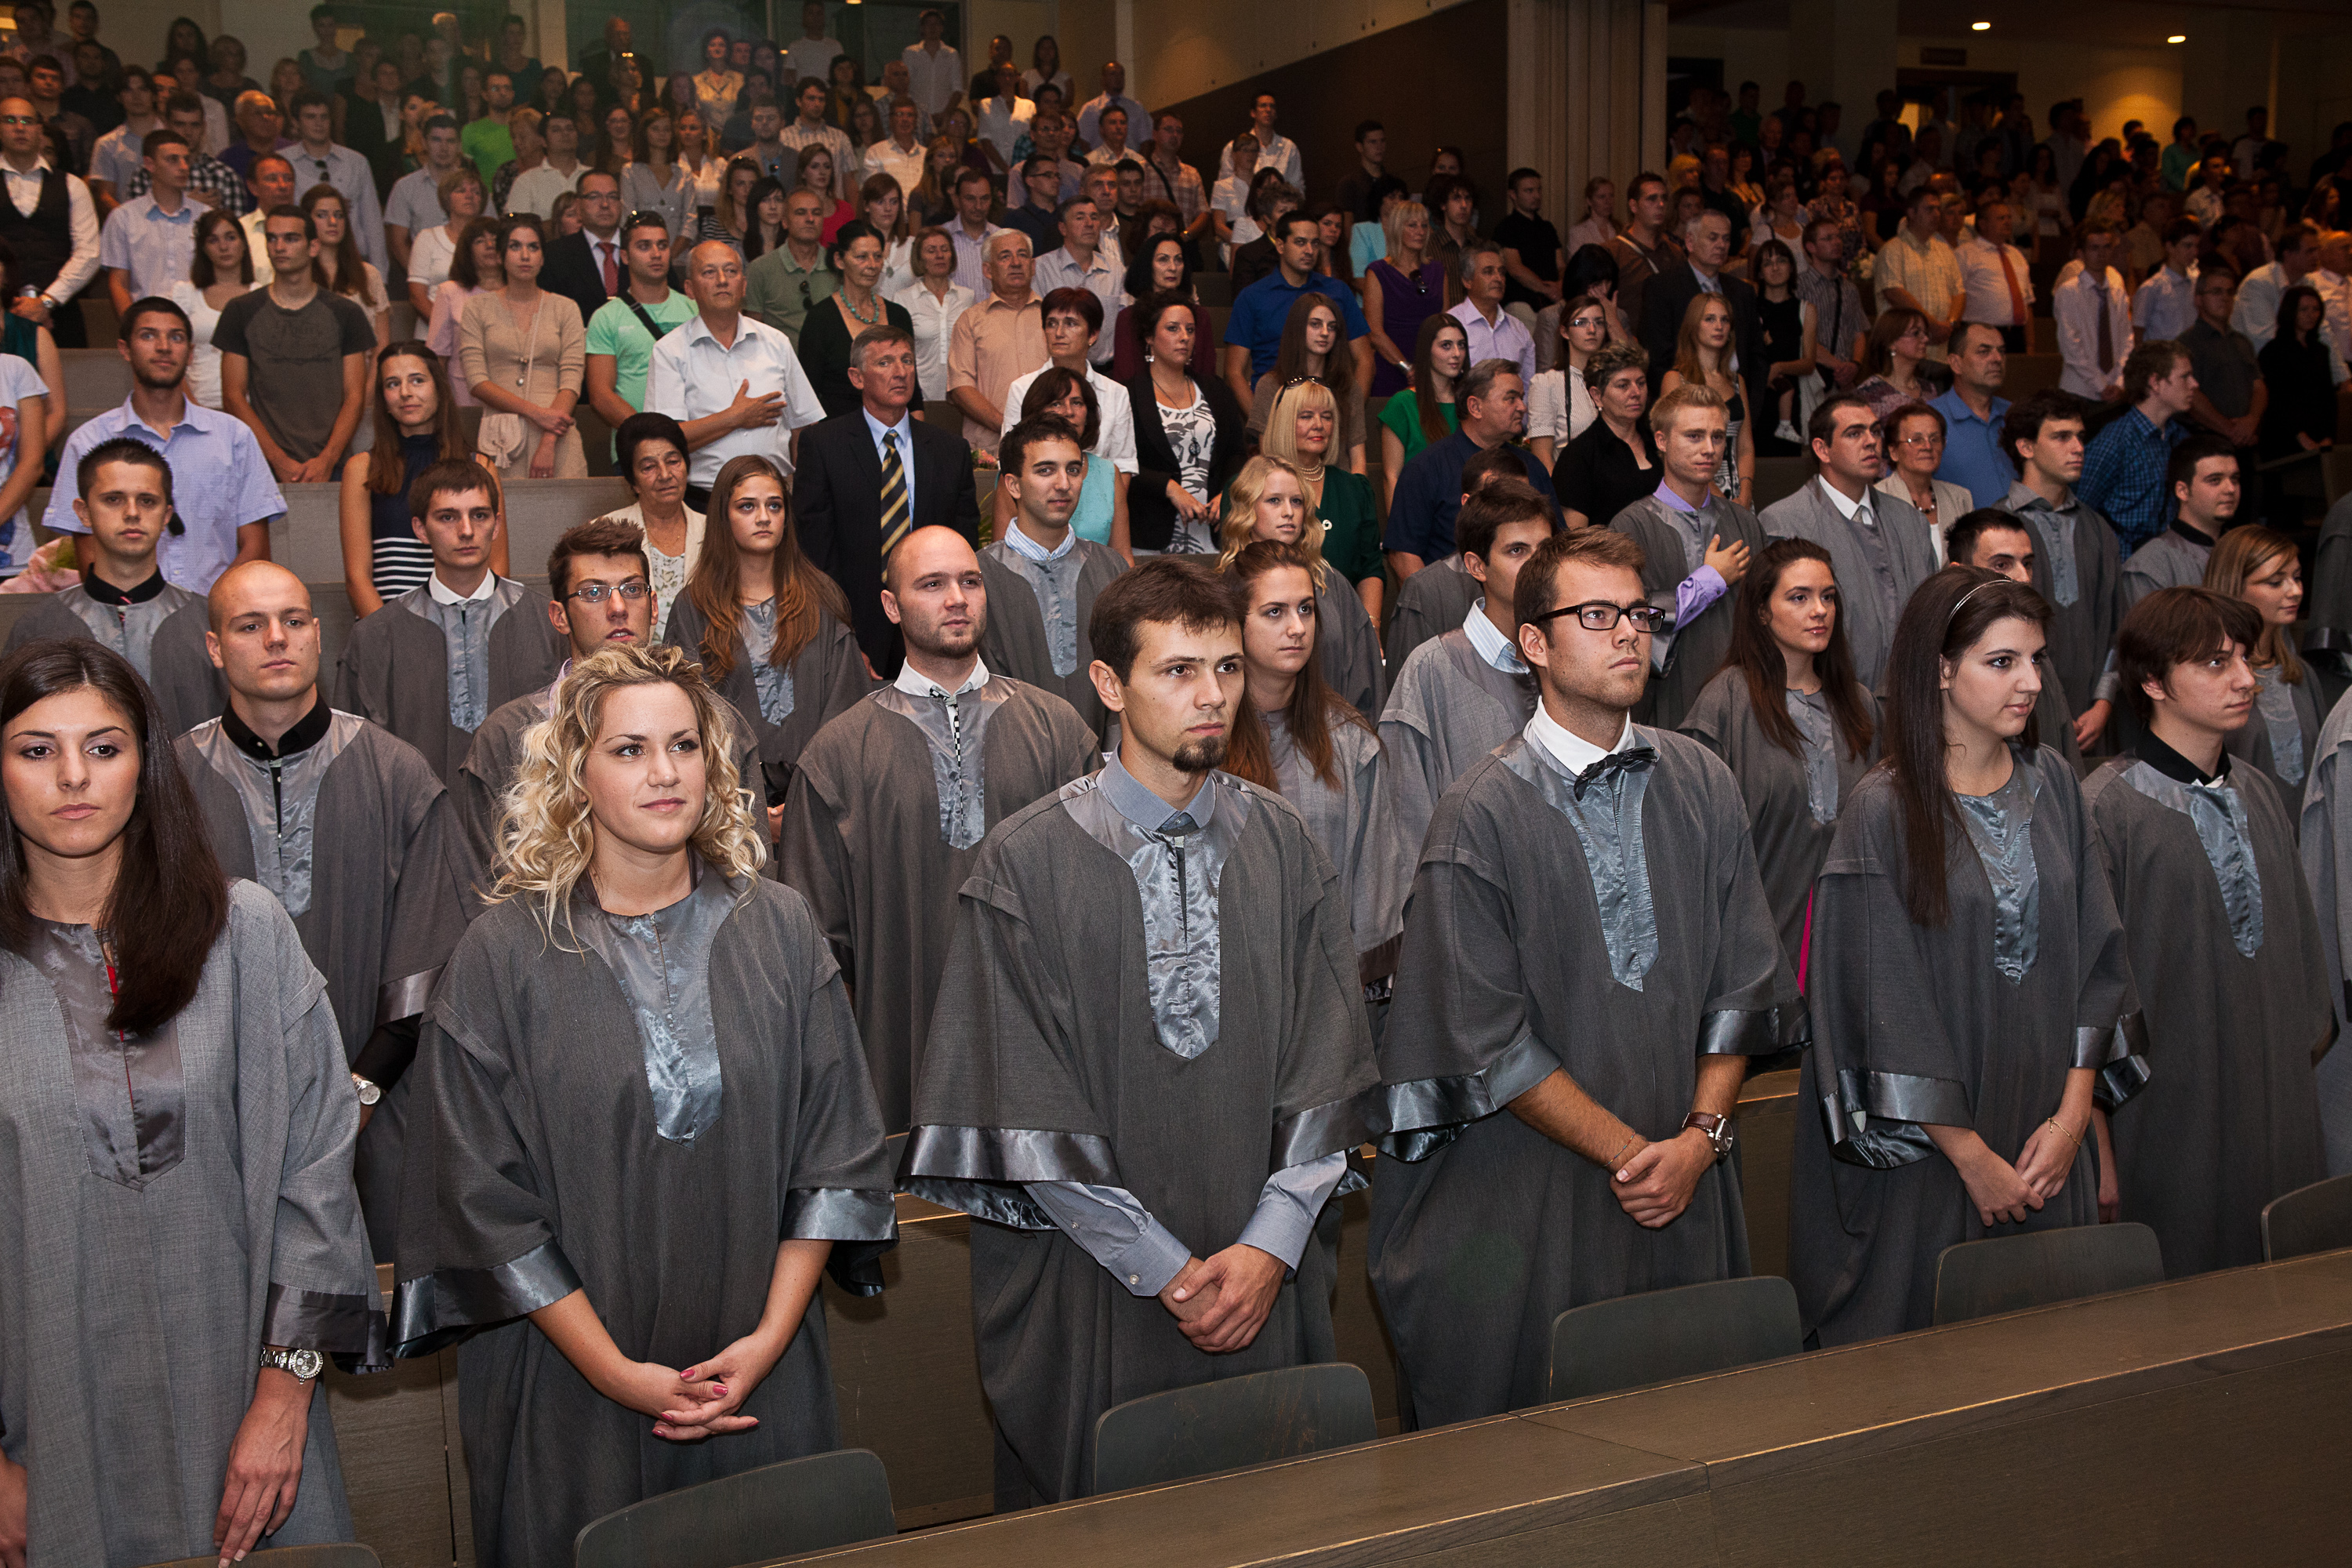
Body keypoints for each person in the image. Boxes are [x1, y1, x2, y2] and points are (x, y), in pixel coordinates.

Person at [394, 636, 895, 1568]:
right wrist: (619, 1373)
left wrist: (767, 1340)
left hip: (762, 1373)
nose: (665, 772)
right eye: (629, 749)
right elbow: (479, 1198)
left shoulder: (781, 927)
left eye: (685, 744)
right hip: (570, 1389)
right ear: (574, 773)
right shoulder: (501, 957)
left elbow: (834, 1153)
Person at [899, 547, 1374, 1504]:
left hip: (1264, 1277)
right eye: (1179, 669)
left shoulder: (1286, 845)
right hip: (1095, 1291)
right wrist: (1166, 1269)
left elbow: (1328, 1065)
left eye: (1227, 667)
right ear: (1110, 684)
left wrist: (1268, 1245)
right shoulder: (1024, 864)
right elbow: (1020, 1102)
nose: (1213, 695)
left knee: (1275, 1517)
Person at [1370, 523, 1795, 1423]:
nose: (1629, 632)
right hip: (1536, 1199)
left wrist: (1700, 1137)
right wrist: (1639, 1157)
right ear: (1534, 642)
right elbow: (1487, 1040)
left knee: (1700, 1429)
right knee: (1558, 1445)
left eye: (1638, 613)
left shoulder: (1704, 779)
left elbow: (1742, 987)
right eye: (1597, 615)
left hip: (1688, 1174)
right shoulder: (1476, 813)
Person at [0, 636, 382, 1565]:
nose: (73, 776)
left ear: (146, 762)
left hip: (249, 1424)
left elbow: (317, 1170)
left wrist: (285, 1395)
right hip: (44, 1428)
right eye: (37, 749)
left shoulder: (244, 933)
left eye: (103, 746)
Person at [1789, 566, 2144, 1345]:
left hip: (2047, 1142)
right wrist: (1973, 1157)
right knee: (1938, 1368)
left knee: (2055, 1357)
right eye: (2002, 661)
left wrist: (2074, 1119)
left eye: (2037, 660)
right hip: (1930, 1158)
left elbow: (2100, 960)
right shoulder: (1881, 810)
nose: (2031, 682)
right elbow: (1878, 1005)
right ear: (1942, 669)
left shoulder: (2056, 783)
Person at [181, 557, 474, 1254]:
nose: (276, 639)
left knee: (375, 1290)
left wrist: (361, 1089)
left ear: (318, 635)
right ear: (216, 647)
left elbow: (435, 949)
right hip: (215, 1107)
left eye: (292, 621)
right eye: (250, 626)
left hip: (382, 1103)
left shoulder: (398, 773)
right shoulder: (173, 783)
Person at [779, 521, 1096, 1132]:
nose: (957, 598)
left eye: (970, 582)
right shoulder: (839, 754)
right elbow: (812, 944)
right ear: (891, 605)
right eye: (932, 584)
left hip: (1044, 1049)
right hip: (896, 1054)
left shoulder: (1058, 732)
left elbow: (1097, 910)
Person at [2086, 586, 2328, 1272]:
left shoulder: (2259, 791)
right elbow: (2089, 993)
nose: (2246, 679)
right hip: (2166, 1116)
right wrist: (2098, 1138)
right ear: (2153, 681)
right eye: (2217, 663)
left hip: (2277, 1102)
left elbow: (2303, 972)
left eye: (2245, 659)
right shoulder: (2105, 810)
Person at [456, 515, 750, 867]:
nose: (618, 608)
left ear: (654, 606)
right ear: (560, 617)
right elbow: (489, 884)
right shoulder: (507, 735)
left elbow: (747, 862)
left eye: (632, 589)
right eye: (593, 593)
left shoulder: (714, 721)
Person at [1681, 535, 1879, 978]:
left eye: (1828, 597)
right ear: (1762, 612)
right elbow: (1691, 841)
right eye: (1799, 597)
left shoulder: (1860, 703)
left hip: (1852, 943)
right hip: (1752, 952)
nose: (1820, 610)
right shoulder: (1726, 701)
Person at [657, 452, 870, 822]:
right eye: (747, 506)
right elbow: (689, 715)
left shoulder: (822, 598)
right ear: (723, 517)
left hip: (823, 797)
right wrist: (746, 805)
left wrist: (808, 799)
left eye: (774, 505)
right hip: (729, 804)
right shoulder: (694, 607)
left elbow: (849, 708)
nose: (763, 517)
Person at [333, 457, 562, 789]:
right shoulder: (375, 636)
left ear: (497, 525)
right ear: (420, 529)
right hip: (414, 816)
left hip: (530, 816)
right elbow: (350, 757)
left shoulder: (549, 623)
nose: (466, 531)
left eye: (479, 515)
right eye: (447, 517)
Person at [45, 296, 282, 590]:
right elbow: (88, 552)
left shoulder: (234, 436)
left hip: (215, 609)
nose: (164, 347)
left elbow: (256, 549)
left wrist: (211, 608)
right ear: (125, 350)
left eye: (176, 337)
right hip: (125, 611)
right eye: (148, 336)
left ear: (190, 353)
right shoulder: (89, 441)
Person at [1379, 478, 1559, 851]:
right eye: (1517, 550)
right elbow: (1405, 823)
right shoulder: (1430, 670)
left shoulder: (1571, 655)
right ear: (1477, 565)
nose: (1538, 566)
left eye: (1545, 550)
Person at [795, 321, 982, 675]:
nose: (900, 372)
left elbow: (965, 546)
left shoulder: (950, 450)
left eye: (907, 361)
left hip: (936, 624)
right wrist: (842, 637)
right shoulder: (824, 446)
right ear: (857, 377)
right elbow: (816, 554)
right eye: (885, 362)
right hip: (853, 625)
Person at [5, 435, 223, 733]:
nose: (132, 512)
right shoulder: (37, 629)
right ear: (83, 512)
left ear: (166, 515)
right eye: (113, 499)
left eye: (147, 501)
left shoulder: (210, 623)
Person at [1611, 383, 1766, 730]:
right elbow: (1633, 622)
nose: (1709, 449)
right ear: (1662, 440)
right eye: (1694, 436)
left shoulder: (1745, 524)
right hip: (1666, 705)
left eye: (1717, 437)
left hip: (1744, 705)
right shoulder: (1630, 526)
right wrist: (1710, 580)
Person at [1762, 394, 1937, 688]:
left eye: (1875, 431)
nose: (1871, 442)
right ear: (1822, 449)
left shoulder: (1911, 521)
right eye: (1855, 433)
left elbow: (1933, 615)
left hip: (1910, 694)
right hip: (1826, 697)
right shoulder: (1784, 524)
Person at [647, 240, 827, 508]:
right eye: (709, 272)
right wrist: (735, 418)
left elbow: (804, 425)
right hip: (705, 501)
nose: (722, 280)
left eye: (731, 271)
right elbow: (665, 440)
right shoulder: (669, 351)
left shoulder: (776, 342)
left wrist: (803, 494)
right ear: (689, 289)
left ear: (743, 286)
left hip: (775, 499)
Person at [215, 203, 372, 483]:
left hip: (332, 463)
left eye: (291, 238)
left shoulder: (346, 313)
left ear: (313, 247)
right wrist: (278, 461)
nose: (279, 247)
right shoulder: (241, 311)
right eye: (272, 239)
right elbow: (233, 396)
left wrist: (327, 460)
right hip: (262, 464)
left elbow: (355, 396)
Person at [339, 339, 474, 617]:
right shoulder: (361, 469)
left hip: (465, 627)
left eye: (417, 380)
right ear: (384, 400)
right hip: (386, 626)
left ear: (439, 388)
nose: (405, 393)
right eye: (392, 384)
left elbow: (496, 570)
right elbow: (357, 579)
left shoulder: (479, 468)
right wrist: (394, 636)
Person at [1383, 359, 1554, 575]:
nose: (1522, 407)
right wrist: (1435, 597)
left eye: (1521, 398)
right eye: (1511, 399)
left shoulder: (1532, 467)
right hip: (1452, 591)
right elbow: (1403, 555)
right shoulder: (1425, 469)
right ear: (1475, 407)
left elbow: (1556, 541)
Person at [1945, 506, 2083, 769]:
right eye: (2002, 565)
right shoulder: (1934, 653)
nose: (2023, 577)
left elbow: (2067, 753)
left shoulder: (2036, 659)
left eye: (2027, 564)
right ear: (1958, 573)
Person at [459, 212, 585, 480]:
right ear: (501, 256)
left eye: (533, 247)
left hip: (557, 433)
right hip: (501, 437)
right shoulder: (476, 308)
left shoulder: (566, 308)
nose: (525, 256)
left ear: (543, 257)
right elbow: (477, 381)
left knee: (567, 507)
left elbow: (572, 380)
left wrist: (548, 439)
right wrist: (536, 414)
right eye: (515, 247)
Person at [2204, 525, 2321, 798]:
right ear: (2235, 587)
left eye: (2297, 577)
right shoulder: (2210, 679)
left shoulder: (2301, 674)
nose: (2295, 591)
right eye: (2275, 582)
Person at [1126, 291, 1244, 562]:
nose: (1185, 337)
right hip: (1152, 537)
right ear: (1149, 337)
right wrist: (1168, 487)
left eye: (1190, 330)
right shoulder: (1128, 394)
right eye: (1173, 328)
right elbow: (1121, 463)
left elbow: (1236, 453)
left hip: (1212, 535)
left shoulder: (1215, 389)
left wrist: (1226, 493)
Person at [1221, 211, 1370, 405]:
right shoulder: (1253, 297)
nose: (1309, 250)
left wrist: (1350, 413)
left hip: (1328, 403)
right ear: (1280, 246)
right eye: (1300, 242)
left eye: (1315, 243)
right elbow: (1234, 372)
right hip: (1273, 402)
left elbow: (1365, 359)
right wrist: (1260, 420)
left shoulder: (1338, 291)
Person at [583, 207, 695, 454]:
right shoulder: (606, 317)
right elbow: (601, 396)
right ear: (624, 256)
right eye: (644, 246)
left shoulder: (695, 309)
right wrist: (651, 437)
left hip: (695, 445)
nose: (656, 254)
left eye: (662, 245)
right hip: (634, 450)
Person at [2078, 339, 2198, 557]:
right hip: (2123, 561)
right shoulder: (2115, 441)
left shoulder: (2180, 437)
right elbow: (2082, 510)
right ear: (2155, 383)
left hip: (2167, 559)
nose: (2194, 384)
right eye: (2184, 377)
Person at [0, 92, 99, 347]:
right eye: (10, 120)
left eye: (27, 121)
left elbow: (89, 253)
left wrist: (47, 301)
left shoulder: (72, 185)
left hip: (60, 312)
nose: (20, 128)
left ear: (39, 129)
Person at [1636, 210, 1760, 406]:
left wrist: (1750, 405)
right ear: (1690, 242)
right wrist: (1681, 404)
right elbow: (1656, 357)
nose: (1721, 245)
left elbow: (1756, 355)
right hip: (1686, 402)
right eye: (1713, 238)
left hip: (1739, 400)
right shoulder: (1662, 288)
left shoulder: (1742, 292)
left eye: (1726, 239)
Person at [797, 219, 918, 418]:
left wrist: (916, 433)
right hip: (838, 428)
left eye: (877, 257)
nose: (872, 265)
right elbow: (807, 395)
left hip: (893, 427)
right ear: (839, 260)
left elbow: (914, 392)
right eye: (862, 257)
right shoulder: (821, 319)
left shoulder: (898, 315)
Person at [944, 228, 1044, 456]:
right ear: (988, 270)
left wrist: (1042, 430)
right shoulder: (970, 320)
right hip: (990, 448)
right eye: (1005, 256)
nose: (1016, 262)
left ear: (1033, 266)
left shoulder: (1052, 318)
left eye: (1022, 255)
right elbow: (961, 389)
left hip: (1048, 444)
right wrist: (1010, 427)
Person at [1659, 293, 1755, 505]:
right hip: (1695, 492)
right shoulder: (1676, 379)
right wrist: (1716, 495)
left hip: (1739, 495)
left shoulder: (1737, 381)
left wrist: (1746, 491)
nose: (1719, 326)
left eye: (1725, 320)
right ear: (1693, 326)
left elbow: (1745, 445)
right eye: (1710, 319)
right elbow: (1672, 448)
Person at [2122, 437, 2239, 608]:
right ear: (2183, 491)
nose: (2231, 489)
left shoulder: (2245, 551)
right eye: (2215, 480)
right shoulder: (2151, 565)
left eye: (2235, 479)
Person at [1553, 341, 1658, 531]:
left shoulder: (1658, 441)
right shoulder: (1580, 455)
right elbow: (1575, 536)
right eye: (1623, 385)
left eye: (1641, 383)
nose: (1636, 393)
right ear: (1597, 396)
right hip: (1608, 548)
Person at [98, 125, 194, 311]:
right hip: (145, 318)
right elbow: (118, 282)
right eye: (173, 159)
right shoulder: (124, 217)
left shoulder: (204, 216)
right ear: (150, 164)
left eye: (186, 160)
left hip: (197, 321)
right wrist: (131, 324)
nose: (183, 167)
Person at [2257, 283, 2344, 481]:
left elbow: (2328, 398)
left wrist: (2328, 436)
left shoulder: (2320, 350)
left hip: (2319, 435)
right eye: (2304, 310)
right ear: (2291, 312)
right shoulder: (2274, 351)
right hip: (2284, 438)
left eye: (2315, 309)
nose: (2310, 315)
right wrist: (2299, 435)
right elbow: (2277, 399)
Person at [1361, 198, 1446, 400]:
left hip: (1433, 368)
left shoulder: (1438, 270)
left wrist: (1433, 366)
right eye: (1412, 225)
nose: (1420, 231)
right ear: (1397, 229)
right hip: (1392, 369)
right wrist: (1407, 368)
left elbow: (1445, 322)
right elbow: (1375, 332)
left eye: (1424, 226)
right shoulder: (1378, 272)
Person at [1381, 314, 1468, 514]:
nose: (1457, 354)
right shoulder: (1402, 404)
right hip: (1418, 512)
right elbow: (1391, 476)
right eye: (1446, 346)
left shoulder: (1471, 403)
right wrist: (1399, 528)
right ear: (1427, 351)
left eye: (1461, 345)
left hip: (1466, 514)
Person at [1871, 184, 1964, 359]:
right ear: (1912, 213)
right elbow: (1894, 292)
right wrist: (1931, 325)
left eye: (1938, 209)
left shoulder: (1944, 250)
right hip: (1902, 349)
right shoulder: (1893, 250)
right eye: (1929, 209)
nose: (1936, 214)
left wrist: (1950, 325)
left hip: (1940, 348)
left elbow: (1959, 292)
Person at [1878, 401, 1973, 564]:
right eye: (1916, 440)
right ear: (1893, 451)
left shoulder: (1960, 498)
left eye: (1934, 439)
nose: (1928, 446)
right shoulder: (1877, 499)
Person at [891, 223, 971, 408]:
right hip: (919, 395)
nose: (939, 255)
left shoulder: (968, 296)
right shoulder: (903, 299)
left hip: (962, 395)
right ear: (919, 258)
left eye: (945, 249)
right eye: (931, 250)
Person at [2052, 220, 2132, 401]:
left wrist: (2119, 381)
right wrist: (2101, 385)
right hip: (2079, 389)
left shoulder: (2117, 290)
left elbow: (2127, 339)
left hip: (2114, 386)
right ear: (2081, 253)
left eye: (2107, 247)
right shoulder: (2069, 292)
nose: (2101, 254)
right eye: (2094, 248)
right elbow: (2071, 346)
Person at [535, 166, 622, 325]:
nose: (605, 204)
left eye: (612, 197)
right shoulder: (555, 255)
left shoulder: (641, 246)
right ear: (578, 205)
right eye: (594, 197)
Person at [383, 111, 463, 274]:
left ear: (459, 146)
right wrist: (420, 278)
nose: (443, 148)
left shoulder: (474, 188)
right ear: (424, 142)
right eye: (436, 140)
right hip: (423, 275)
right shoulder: (405, 187)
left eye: (450, 141)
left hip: (468, 277)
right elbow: (398, 243)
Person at [2230, 221, 2321, 351]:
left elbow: (2322, 330)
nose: (2317, 256)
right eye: (2310, 251)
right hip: (2259, 357)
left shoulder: (2308, 282)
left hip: (2290, 354)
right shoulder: (2259, 282)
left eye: (2317, 250)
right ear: (2288, 254)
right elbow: (2264, 339)